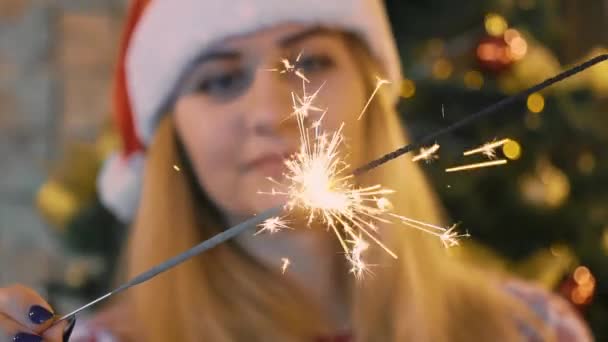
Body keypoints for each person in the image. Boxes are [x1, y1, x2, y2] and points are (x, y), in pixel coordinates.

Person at [0, 1, 592, 341]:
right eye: (221, 79)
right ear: (170, 137)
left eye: (309, 61)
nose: (274, 112)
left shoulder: (531, 329)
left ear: (372, 94)